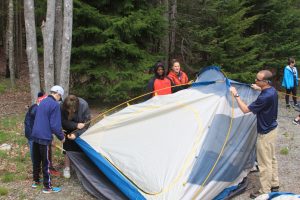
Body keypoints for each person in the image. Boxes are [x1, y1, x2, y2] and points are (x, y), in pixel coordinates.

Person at [230, 70, 279, 198]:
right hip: (273, 129)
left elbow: (245, 109)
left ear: (265, 82)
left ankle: (265, 191)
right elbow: (265, 93)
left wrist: (236, 95)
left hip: (265, 134)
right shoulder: (272, 90)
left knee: (264, 164)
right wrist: (259, 88)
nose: (255, 81)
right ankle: (275, 184)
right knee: (272, 159)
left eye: (258, 80)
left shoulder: (264, 97)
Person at [31, 85, 65, 193]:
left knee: (36, 160)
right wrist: (62, 137)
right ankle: (47, 187)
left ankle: (36, 181)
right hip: (44, 137)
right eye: (60, 97)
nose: (59, 99)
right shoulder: (55, 105)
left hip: (35, 134)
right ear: (58, 94)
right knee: (46, 162)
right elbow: (55, 126)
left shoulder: (42, 101)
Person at [61, 95, 91, 178]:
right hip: (69, 127)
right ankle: (67, 167)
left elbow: (87, 123)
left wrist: (76, 134)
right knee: (67, 146)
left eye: (73, 110)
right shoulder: (63, 105)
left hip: (81, 129)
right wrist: (75, 125)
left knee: (80, 147)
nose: (71, 111)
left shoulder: (84, 105)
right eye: (69, 110)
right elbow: (62, 121)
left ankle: (80, 167)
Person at [24, 92, 47, 164]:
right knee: (34, 151)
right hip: (32, 133)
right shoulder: (36, 109)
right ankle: (36, 166)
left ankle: (38, 165)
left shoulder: (37, 107)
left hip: (34, 132)